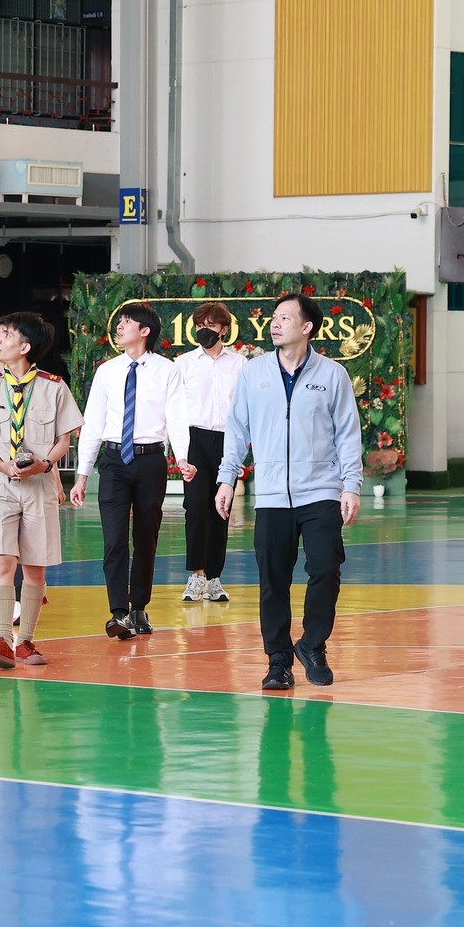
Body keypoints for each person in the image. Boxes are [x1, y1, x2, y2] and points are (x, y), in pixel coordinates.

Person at [214, 292, 363, 691]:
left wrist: (351, 485)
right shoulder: (253, 373)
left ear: (307, 327)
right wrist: (227, 478)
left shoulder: (333, 375)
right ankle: (278, 661)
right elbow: (237, 430)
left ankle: (313, 645)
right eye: (274, 317)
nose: (275, 324)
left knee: (326, 569)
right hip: (272, 497)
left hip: (321, 492)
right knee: (273, 581)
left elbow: (348, 434)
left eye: (285, 318)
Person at [0, 312, 84, 669]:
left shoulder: (54, 387)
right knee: (2, 560)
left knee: (34, 568)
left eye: (7, 335)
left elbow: (64, 439)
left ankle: (26, 641)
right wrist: (1, 466)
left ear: (25, 347)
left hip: (38, 485)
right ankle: (2, 638)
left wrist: (44, 464)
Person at [71, 302, 185, 640]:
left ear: (144, 331)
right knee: (114, 538)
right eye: (119, 321)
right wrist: (82, 475)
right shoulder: (107, 371)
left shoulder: (168, 370)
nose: (119, 327)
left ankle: (139, 607)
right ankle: (118, 612)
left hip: (151, 461)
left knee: (146, 537)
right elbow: (92, 423)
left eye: (127, 321)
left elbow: (177, 418)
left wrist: (183, 458)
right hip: (113, 460)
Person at [172, 301, 246, 602]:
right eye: (200, 325)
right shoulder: (183, 364)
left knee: (221, 509)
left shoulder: (240, 364)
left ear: (223, 329)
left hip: (228, 440)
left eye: (211, 325)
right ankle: (196, 574)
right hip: (195, 439)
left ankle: (215, 577)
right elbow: (174, 410)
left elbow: (246, 407)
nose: (205, 330)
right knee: (194, 507)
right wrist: (179, 452)